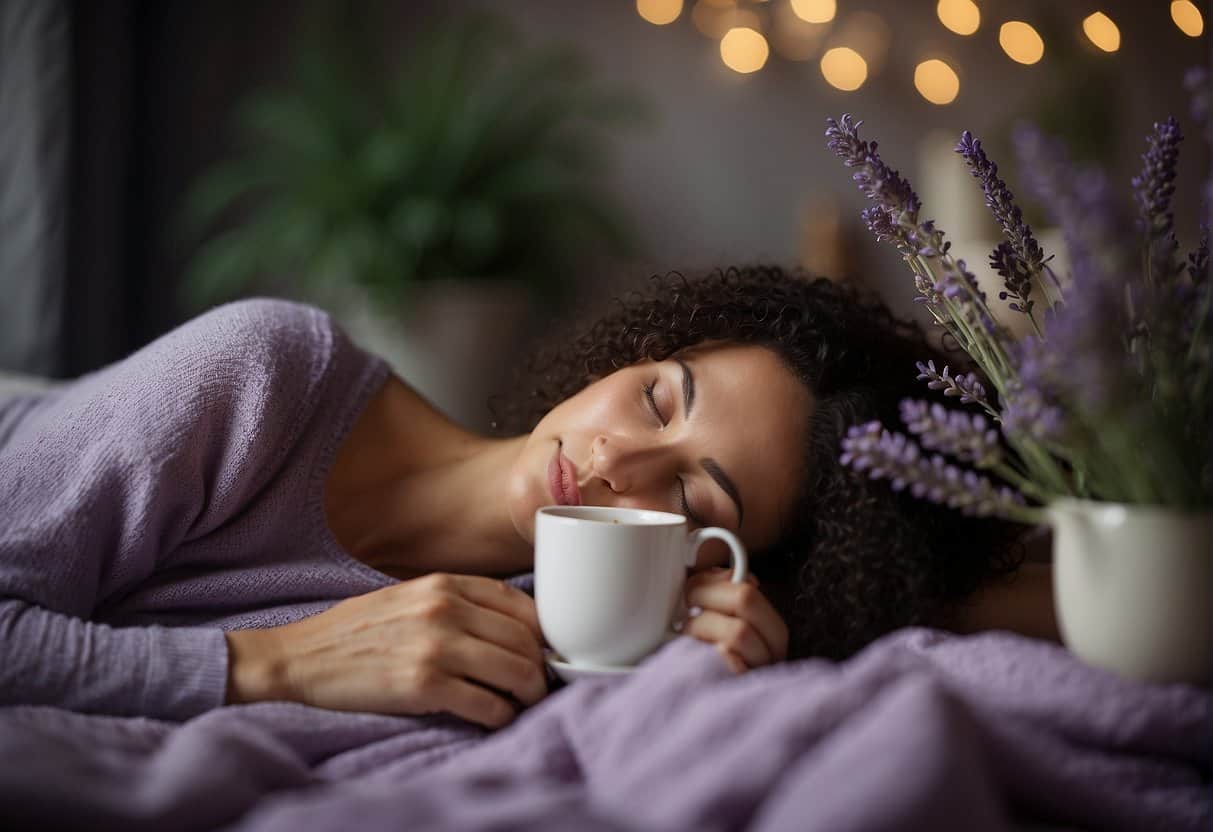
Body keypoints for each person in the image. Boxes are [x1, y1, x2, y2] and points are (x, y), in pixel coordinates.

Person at [0, 265, 1050, 730]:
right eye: (657, 399)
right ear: (636, 353)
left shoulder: (533, 649)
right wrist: (270, 665)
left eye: (690, 497)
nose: (617, 463)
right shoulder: (259, 375)